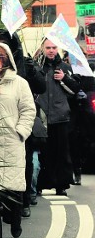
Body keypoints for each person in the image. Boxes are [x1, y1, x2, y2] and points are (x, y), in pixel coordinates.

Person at [0, 43, 35, 238]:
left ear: (7, 59)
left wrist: (20, 132)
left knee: (13, 184)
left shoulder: (19, 83)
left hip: (12, 141)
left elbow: (29, 110)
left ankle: (14, 219)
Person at [0, 29, 45, 217]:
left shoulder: (24, 64)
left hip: (17, 128)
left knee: (23, 166)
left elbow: (39, 90)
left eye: (3, 41)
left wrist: (21, 130)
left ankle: (22, 203)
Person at [35, 39, 80, 196]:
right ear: (43, 48)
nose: (51, 50)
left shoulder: (65, 68)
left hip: (61, 117)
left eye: (54, 47)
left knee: (61, 153)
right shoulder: (37, 67)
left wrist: (64, 79)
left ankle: (61, 185)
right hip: (41, 116)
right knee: (43, 153)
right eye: (48, 47)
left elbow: (75, 90)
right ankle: (40, 184)